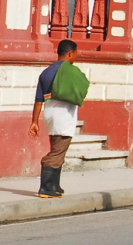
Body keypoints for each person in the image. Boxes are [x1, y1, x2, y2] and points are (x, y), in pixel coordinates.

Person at [28, 40, 88, 198]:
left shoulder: (46, 72)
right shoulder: (71, 71)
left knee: (58, 148)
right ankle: (46, 187)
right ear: (70, 53)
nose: (76, 56)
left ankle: (55, 185)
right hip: (64, 113)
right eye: (75, 53)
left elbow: (38, 100)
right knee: (58, 150)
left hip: (49, 112)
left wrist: (34, 122)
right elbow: (82, 87)